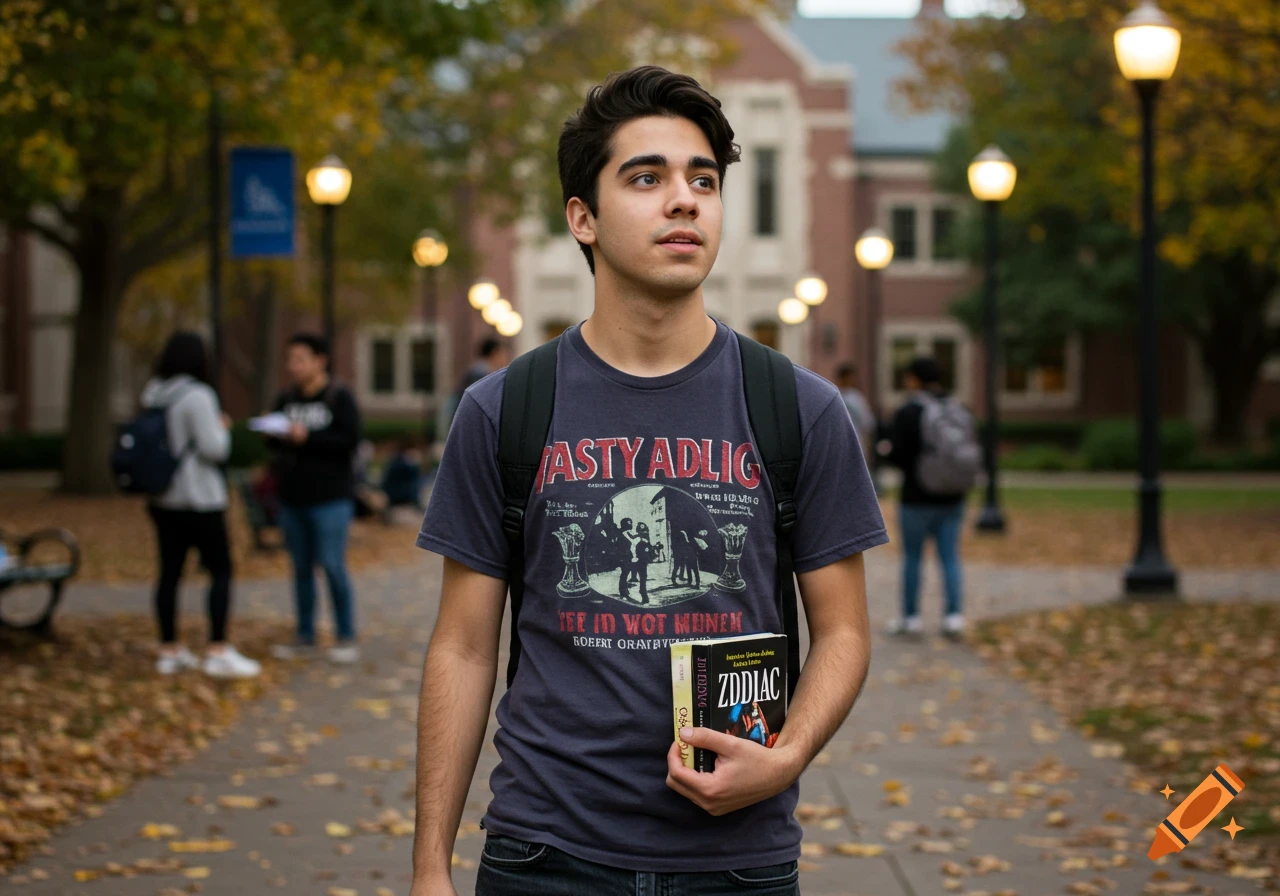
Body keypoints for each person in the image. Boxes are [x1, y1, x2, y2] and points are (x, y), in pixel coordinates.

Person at [411, 66, 886, 896]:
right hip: (542, 855)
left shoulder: (799, 409)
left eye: (704, 179)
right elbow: (460, 647)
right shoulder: (505, 410)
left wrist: (787, 757)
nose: (685, 200)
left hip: (736, 861)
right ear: (582, 218)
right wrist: (429, 868)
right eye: (647, 177)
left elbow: (842, 632)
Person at [140, 331, 261, 678]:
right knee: (220, 570)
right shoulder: (198, 395)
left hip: (163, 498)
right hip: (200, 500)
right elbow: (215, 449)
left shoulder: (154, 393)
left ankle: (169, 648)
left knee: (169, 574)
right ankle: (218, 649)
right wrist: (222, 427)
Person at [268, 333, 363, 664]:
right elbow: (273, 447)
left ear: (320, 360)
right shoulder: (285, 398)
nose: (292, 367)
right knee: (300, 568)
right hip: (293, 499)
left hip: (331, 499)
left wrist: (307, 436)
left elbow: (350, 441)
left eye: (300, 359)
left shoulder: (338, 397)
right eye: (290, 360)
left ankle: (345, 635)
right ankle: (305, 634)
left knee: (333, 565)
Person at [883, 356, 968, 638]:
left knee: (912, 558)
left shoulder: (909, 411)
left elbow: (898, 456)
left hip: (916, 498)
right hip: (953, 497)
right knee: (950, 557)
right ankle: (954, 617)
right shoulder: (955, 408)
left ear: (913, 378)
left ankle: (911, 618)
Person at [440, 338, 511, 436]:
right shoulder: (481, 373)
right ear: (495, 353)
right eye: (503, 353)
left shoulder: (478, 370)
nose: (505, 357)